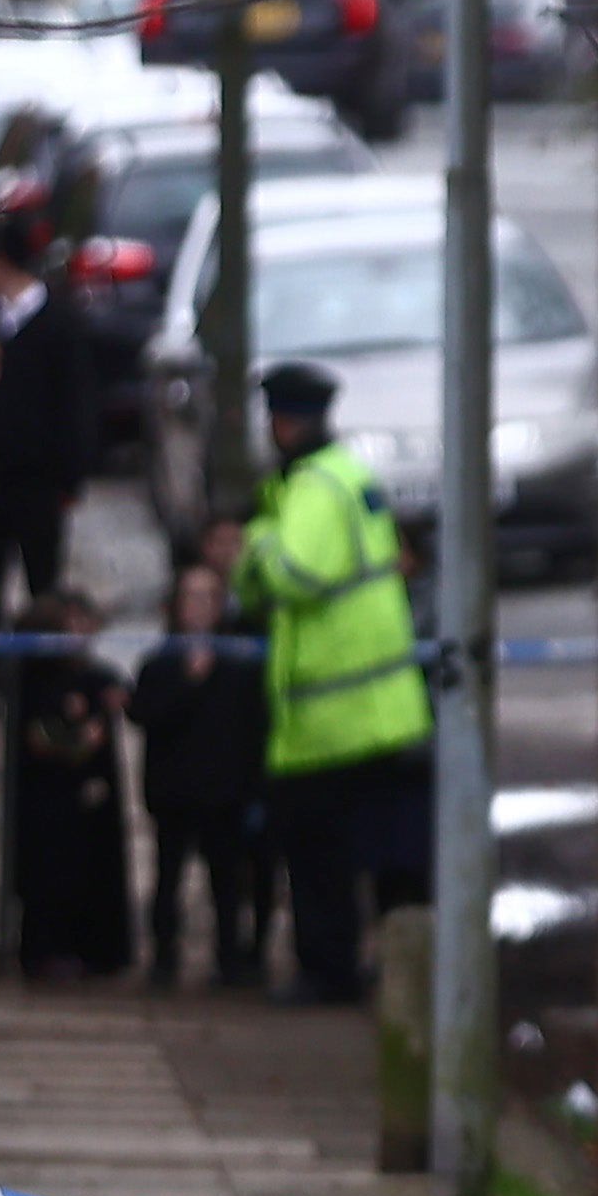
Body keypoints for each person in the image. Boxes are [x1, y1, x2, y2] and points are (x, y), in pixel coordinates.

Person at [236, 360, 433, 1005]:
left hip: (332, 717)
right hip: (377, 706)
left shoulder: (316, 486)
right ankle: (404, 971)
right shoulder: (347, 474)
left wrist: (258, 541)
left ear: (283, 423)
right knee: (387, 853)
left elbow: (296, 572)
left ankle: (330, 971)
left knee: (317, 856)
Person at [129, 561, 272, 989]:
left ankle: (230, 960)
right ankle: (163, 957)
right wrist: (188, 685)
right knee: (168, 878)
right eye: (191, 596)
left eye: (210, 596)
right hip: (173, 791)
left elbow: (253, 727)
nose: (200, 606)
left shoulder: (241, 662)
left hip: (225, 792)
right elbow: (144, 714)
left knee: (225, 883)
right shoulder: (159, 662)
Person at [0, 213, 99, 608]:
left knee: (42, 578)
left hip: (40, 478)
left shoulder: (59, 323)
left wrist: (70, 475)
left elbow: (76, 401)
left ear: (0, 261)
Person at [10, 589, 135, 978]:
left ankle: (99, 950)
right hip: (48, 799)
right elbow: (40, 738)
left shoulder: (97, 677)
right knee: (52, 874)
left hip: (93, 798)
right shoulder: (36, 680)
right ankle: (48, 950)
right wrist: (80, 740)